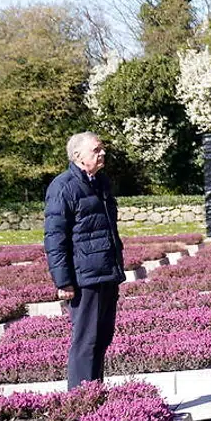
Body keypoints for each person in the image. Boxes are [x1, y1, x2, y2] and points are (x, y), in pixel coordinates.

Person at [44, 131, 126, 388]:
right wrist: (63, 281)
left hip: (106, 272)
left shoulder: (101, 182)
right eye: (96, 149)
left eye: (102, 148)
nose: (102, 153)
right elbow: (54, 237)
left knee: (102, 337)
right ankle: (81, 399)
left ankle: (95, 393)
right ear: (78, 156)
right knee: (85, 341)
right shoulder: (63, 186)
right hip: (83, 278)